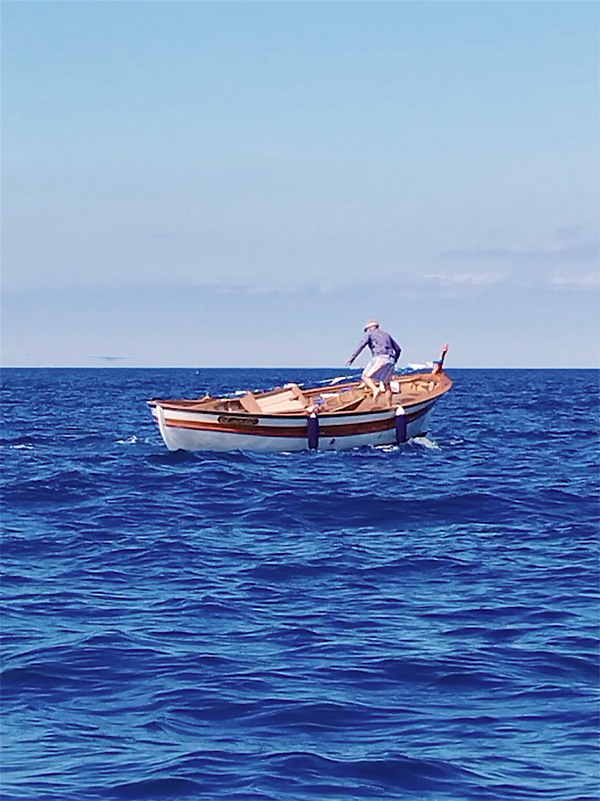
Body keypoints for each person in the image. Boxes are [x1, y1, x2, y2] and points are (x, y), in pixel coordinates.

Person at [345, 320, 401, 401]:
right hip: (391, 359)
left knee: (365, 376)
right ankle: (389, 406)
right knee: (387, 384)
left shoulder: (370, 334)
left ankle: (375, 389)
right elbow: (398, 349)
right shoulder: (387, 335)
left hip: (380, 357)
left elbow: (361, 345)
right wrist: (394, 361)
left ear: (369, 328)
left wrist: (352, 357)